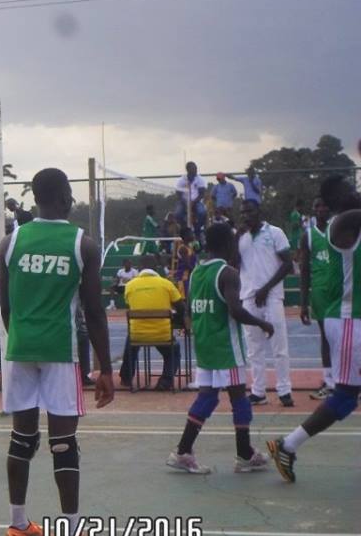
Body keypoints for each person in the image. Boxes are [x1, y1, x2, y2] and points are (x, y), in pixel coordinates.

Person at [0, 168, 114, 536]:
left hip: (20, 348)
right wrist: (106, 369)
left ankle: (17, 526)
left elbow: (6, 305)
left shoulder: (10, 242)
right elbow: (95, 313)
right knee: (63, 443)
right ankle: (71, 535)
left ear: (34, 197)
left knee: (22, 438)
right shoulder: (84, 244)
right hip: (60, 350)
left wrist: (20, 337)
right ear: (65, 198)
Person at [267, 175, 361, 483]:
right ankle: (287, 445)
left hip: (352, 320)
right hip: (348, 321)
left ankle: (288, 445)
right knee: (346, 396)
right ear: (340, 197)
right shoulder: (341, 224)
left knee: (347, 395)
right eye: (350, 187)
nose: (355, 188)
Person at [166, 223, 274, 474]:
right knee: (239, 398)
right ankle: (245, 454)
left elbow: (190, 314)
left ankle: (183, 451)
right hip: (226, 347)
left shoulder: (196, 274)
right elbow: (235, 310)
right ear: (228, 244)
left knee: (207, 397)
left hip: (205, 347)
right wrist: (262, 322)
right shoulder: (228, 273)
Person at [237, 199, 294, 407]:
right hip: (249, 297)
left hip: (271, 296)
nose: (245, 216)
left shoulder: (275, 232)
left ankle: (284, 390)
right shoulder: (240, 236)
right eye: (242, 212)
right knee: (254, 348)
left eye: (249, 211)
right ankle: (258, 391)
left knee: (279, 345)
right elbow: (233, 264)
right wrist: (236, 236)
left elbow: (288, 264)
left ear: (258, 211)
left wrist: (266, 288)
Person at [120, 254, 185, 391]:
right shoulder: (166, 284)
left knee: (131, 339)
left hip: (138, 335)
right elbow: (181, 308)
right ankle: (165, 381)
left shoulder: (130, 286)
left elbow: (130, 305)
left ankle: (126, 377)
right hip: (162, 334)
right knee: (174, 350)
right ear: (156, 268)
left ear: (139, 268)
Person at [301, 196, 334, 400]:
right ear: (313, 211)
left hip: (341, 292)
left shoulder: (339, 230)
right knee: (327, 337)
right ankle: (330, 381)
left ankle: (347, 380)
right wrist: (303, 303)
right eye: (317, 206)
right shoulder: (308, 236)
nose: (321, 209)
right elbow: (304, 271)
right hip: (321, 294)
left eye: (325, 205)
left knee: (348, 339)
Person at [175, 161, 207, 237]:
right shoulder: (182, 180)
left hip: (196, 201)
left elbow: (202, 194)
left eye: (196, 168)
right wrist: (185, 202)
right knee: (177, 214)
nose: (196, 170)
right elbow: (178, 193)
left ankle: (197, 228)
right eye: (194, 168)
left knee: (202, 212)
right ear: (188, 169)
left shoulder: (200, 179)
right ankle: (184, 227)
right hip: (184, 201)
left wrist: (193, 202)